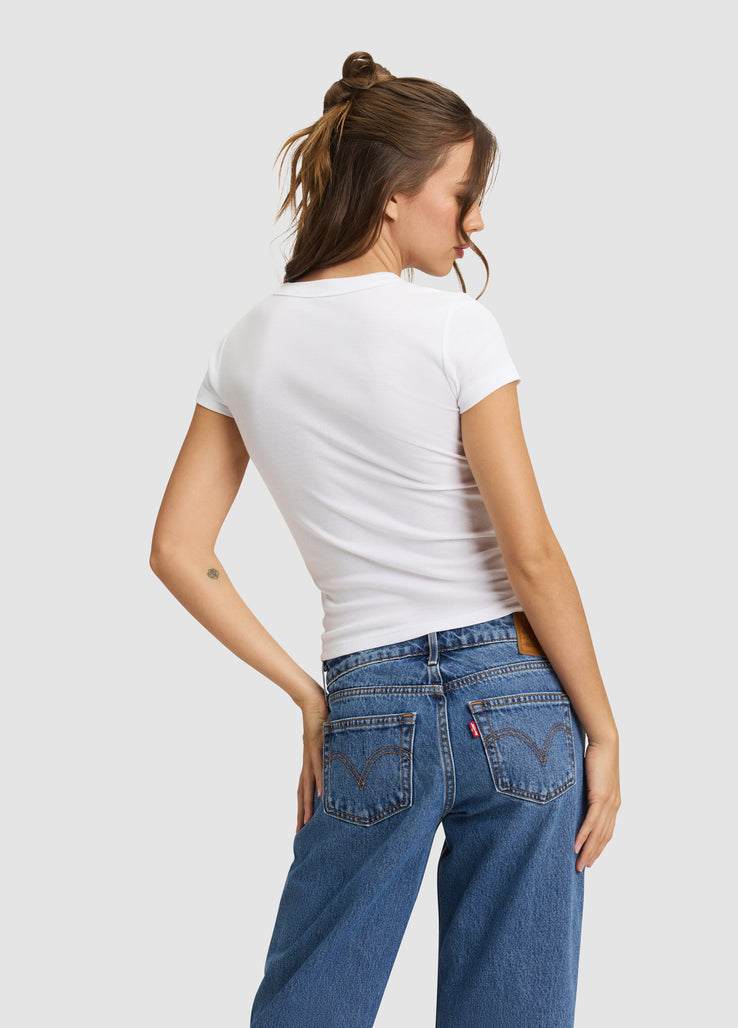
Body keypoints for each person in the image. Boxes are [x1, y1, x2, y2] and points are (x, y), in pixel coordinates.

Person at [150, 51, 621, 1028]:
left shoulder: (244, 344)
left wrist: (306, 692)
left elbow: (178, 547)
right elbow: (528, 551)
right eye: (462, 193)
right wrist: (602, 725)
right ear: (393, 193)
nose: (476, 219)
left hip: (370, 702)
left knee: (309, 999)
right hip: (519, 697)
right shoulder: (454, 330)